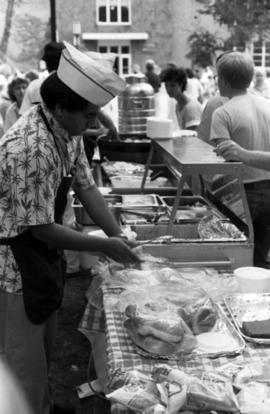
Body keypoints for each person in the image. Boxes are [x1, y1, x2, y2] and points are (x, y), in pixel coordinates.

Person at [0, 41, 140, 414]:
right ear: (61, 107)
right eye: (89, 116)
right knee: (21, 360)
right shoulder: (28, 146)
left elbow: (86, 186)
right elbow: (40, 227)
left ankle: (41, 403)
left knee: (43, 349)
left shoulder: (67, 130)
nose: (93, 125)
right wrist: (105, 247)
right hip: (14, 264)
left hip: (41, 256)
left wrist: (117, 235)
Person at [209, 50, 270, 266]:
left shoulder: (223, 113)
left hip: (241, 194)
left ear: (223, 81)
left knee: (235, 257)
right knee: (261, 258)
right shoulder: (267, 105)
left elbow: (224, 162)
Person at [159, 66, 202, 131]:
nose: (169, 89)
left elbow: (193, 136)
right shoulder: (178, 105)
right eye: (166, 85)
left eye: (172, 85)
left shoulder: (191, 107)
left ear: (181, 85)